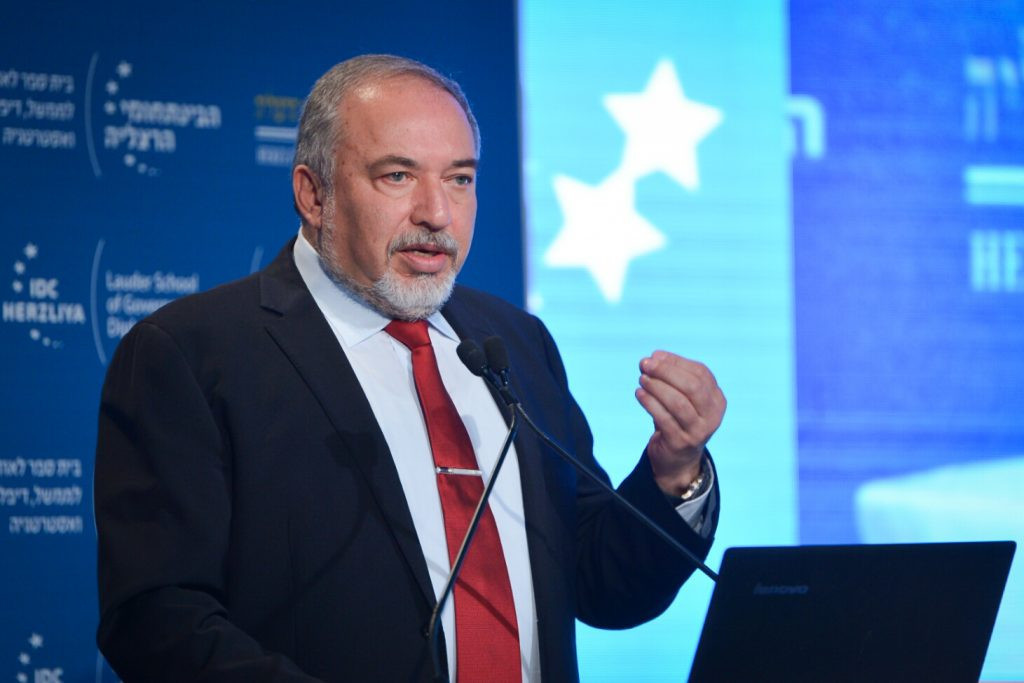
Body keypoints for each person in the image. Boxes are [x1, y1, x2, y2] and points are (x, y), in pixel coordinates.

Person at [94, 54, 726, 682]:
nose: (437, 213)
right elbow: (159, 621)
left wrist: (674, 470)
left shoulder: (515, 341)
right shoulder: (193, 353)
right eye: (398, 176)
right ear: (314, 194)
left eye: (459, 179)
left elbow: (598, 581)